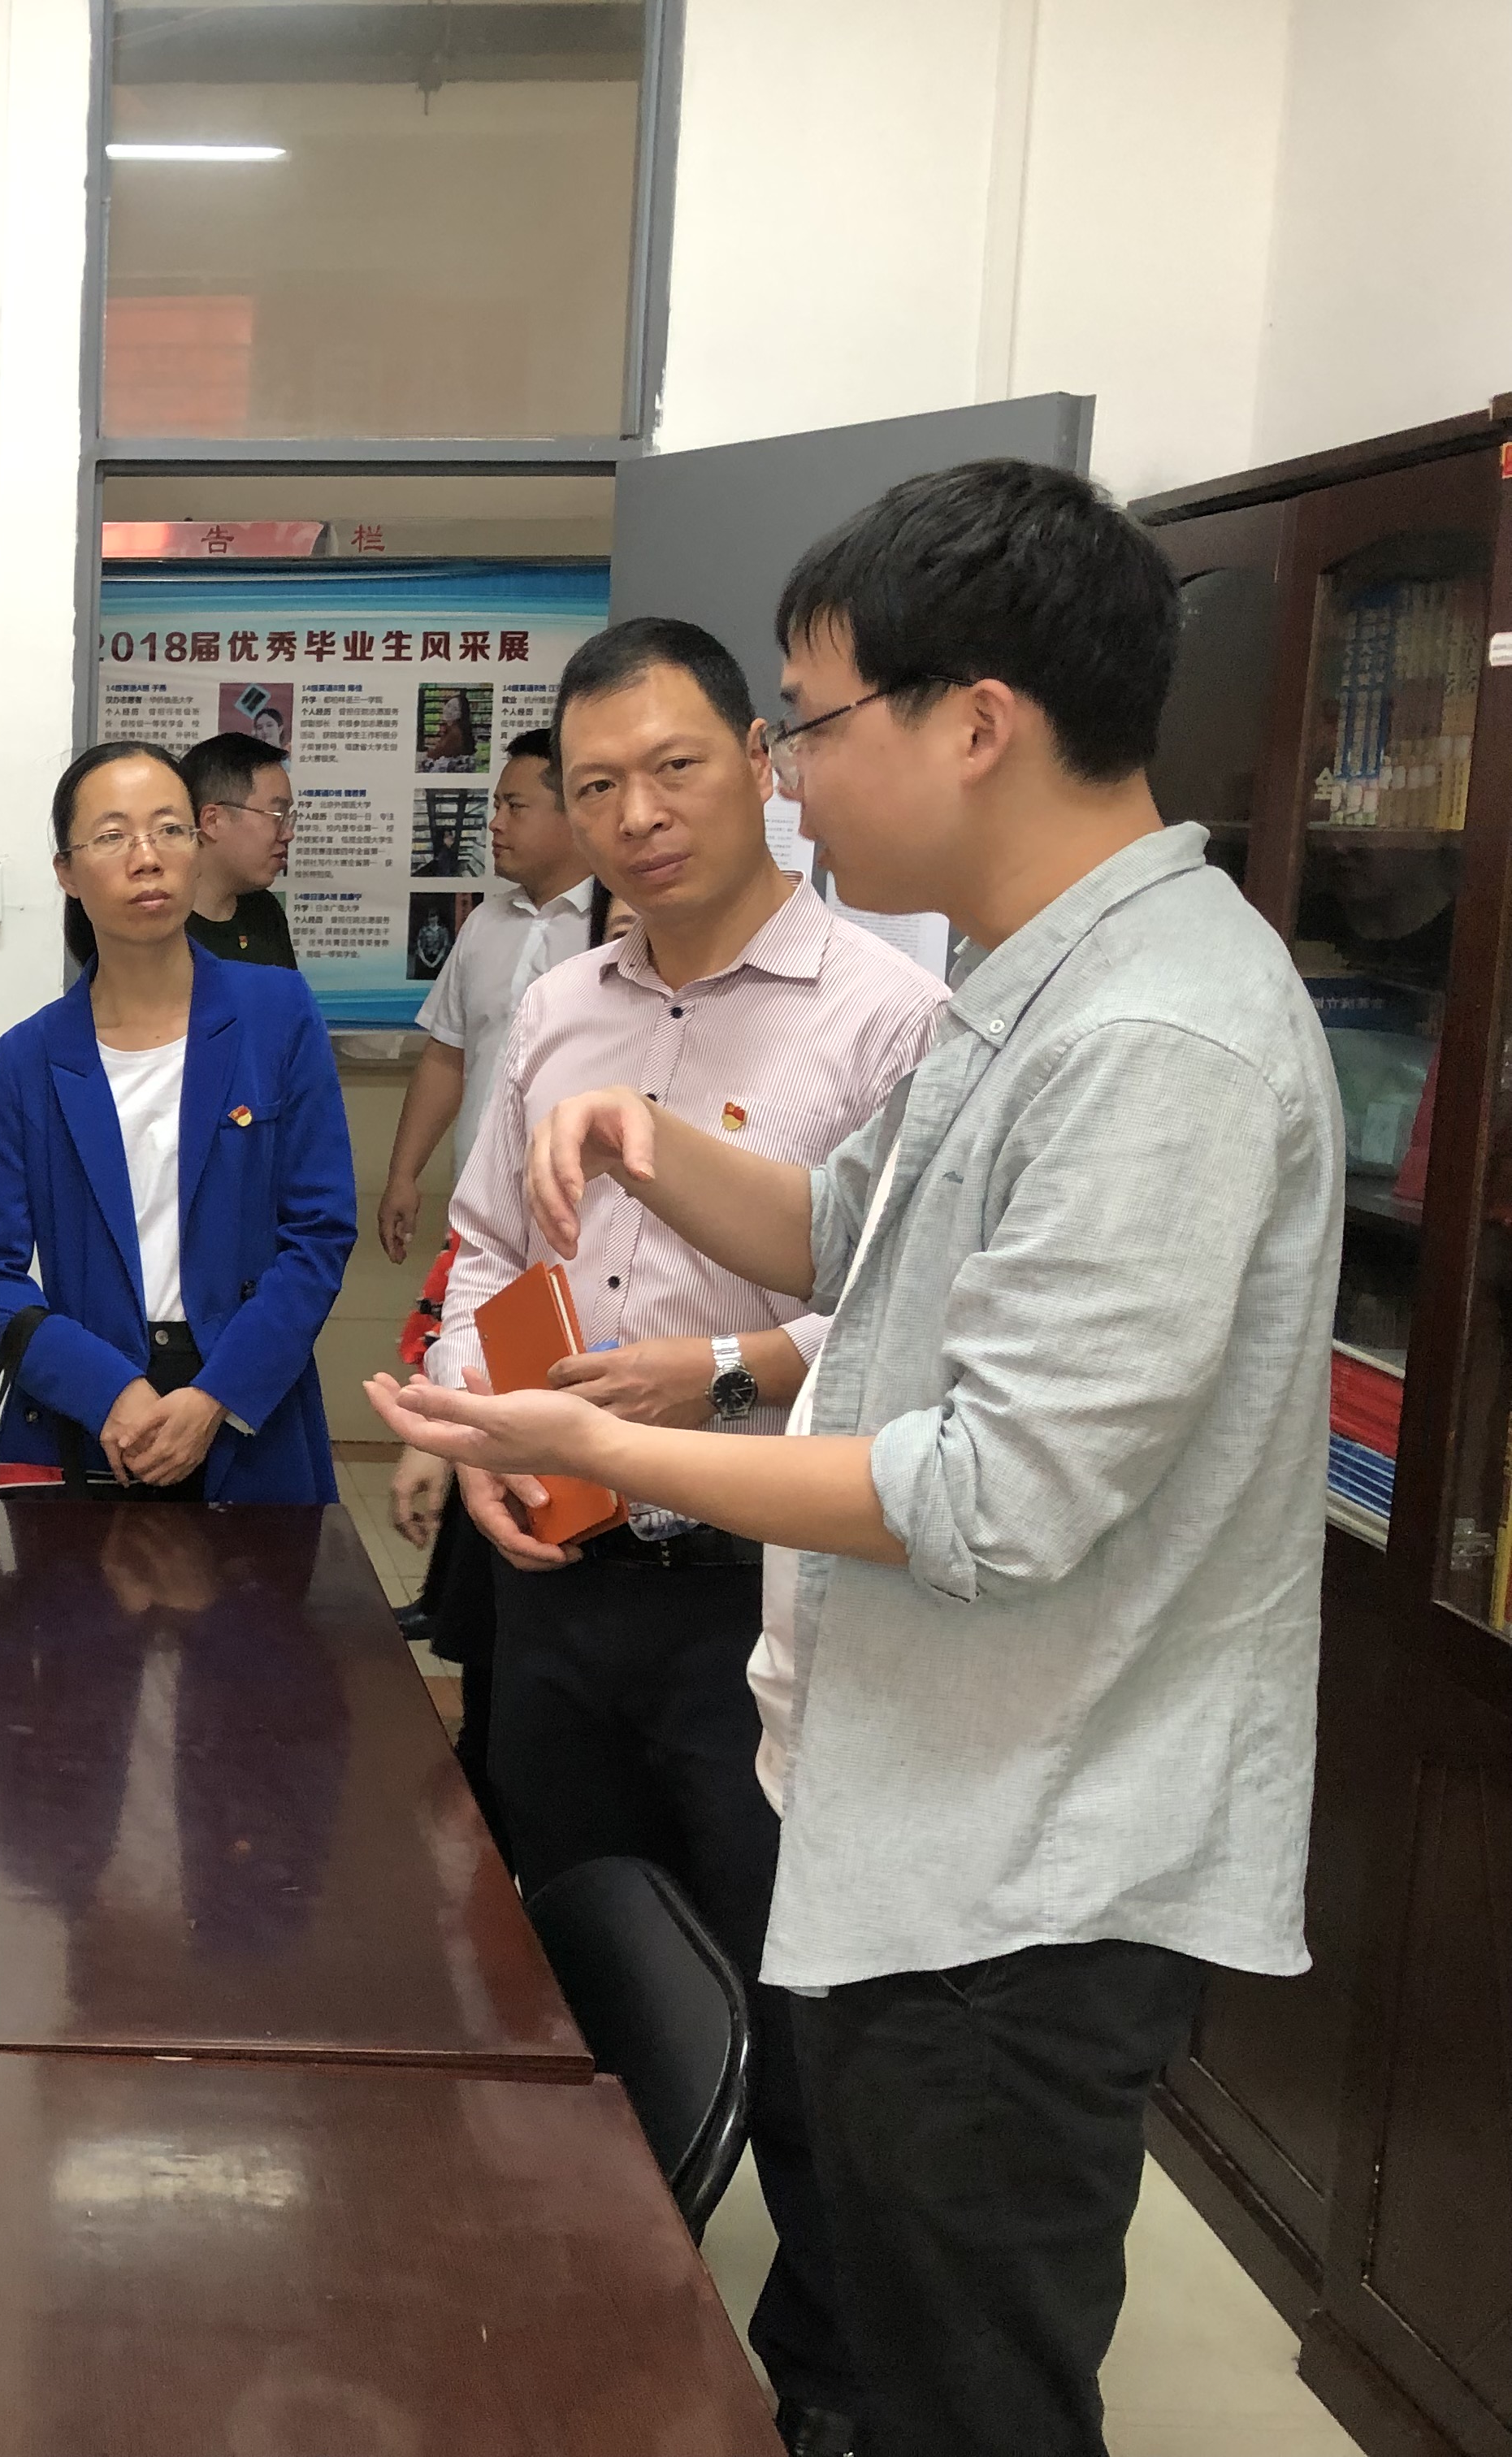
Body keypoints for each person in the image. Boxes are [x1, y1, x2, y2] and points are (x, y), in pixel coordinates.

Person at [372, 462, 1341, 2457]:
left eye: (806, 724)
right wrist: (646, 1141)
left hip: (1026, 1867)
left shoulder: (1152, 1034)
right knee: (898, 2325)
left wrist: (611, 1437)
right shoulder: (1029, 980)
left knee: (957, 2379)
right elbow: (841, 1230)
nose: (792, 779)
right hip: (927, 1807)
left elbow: (993, 1490)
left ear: (973, 721)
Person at [404, 618, 947, 2454]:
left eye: (675, 766)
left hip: (761, 1606)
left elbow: (898, 1316)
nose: (635, 815)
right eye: (596, 785)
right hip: (563, 1584)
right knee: (555, 1981)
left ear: (761, 762)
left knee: (794, 2020)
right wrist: (487, 1438)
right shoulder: (561, 1003)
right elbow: (490, 1246)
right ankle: (574, 2343)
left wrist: (711, 1375)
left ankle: (818, 2394)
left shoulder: (886, 1012)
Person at [0, 741, 354, 1503]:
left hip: (249, 1407)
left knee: (265, 1584)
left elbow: (320, 1230)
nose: (147, 858)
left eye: (170, 829)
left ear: (198, 848)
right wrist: (109, 1391)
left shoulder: (276, 1014)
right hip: (88, 1419)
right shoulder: (30, 1056)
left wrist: (216, 1396)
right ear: (67, 872)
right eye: (112, 836)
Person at [372, 726, 603, 1798]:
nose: (496, 824)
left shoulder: (617, 924)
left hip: (587, 1249)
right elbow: (449, 1058)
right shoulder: (486, 927)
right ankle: (468, 1610)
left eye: (517, 805)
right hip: (489, 1237)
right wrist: (405, 1172)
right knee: (476, 1412)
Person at [179, 729, 297, 968]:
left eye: (289, 817)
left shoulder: (264, 911)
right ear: (213, 821)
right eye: (277, 815)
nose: (288, 834)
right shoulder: (161, 926)